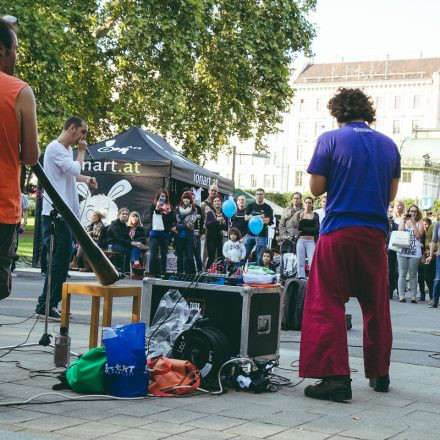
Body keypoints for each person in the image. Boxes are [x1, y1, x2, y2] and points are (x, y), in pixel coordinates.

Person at [299, 88, 400, 402]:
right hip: (373, 235)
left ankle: (336, 378)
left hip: (339, 231)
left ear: (337, 112)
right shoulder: (389, 145)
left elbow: (315, 188)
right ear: (366, 112)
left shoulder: (330, 139)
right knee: (376, 306)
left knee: (327, 302)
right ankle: (380, 374)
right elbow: (392, 195)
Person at [35, 116, 96, 319]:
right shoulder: (56, 148)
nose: (83, 137)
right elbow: (74, 168)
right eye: (83, 132)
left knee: (61, 263)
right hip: (55, 214)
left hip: (64, 213)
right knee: (58, 262)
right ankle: (46, 304)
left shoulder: (66, 151)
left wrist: (86, 179)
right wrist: (81, 152)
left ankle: (49, 303)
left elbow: (71, 174)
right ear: (72, 128)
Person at [0, 18, 40, 300]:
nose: (16, 54)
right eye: (14, 48)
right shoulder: (20, 92)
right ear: (2, 49)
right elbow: (30, 156)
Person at [397, 205, 424, 303]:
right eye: (411, 211)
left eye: (415, 211)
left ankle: (413, 296)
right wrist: (403, 221)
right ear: (408, 211)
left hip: (415, 252)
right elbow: (400, 231)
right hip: (403, 251)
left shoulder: (419, 222)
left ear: (417, 213)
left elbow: (418, 235)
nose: (413, 213)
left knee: (413, 274)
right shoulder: (404, 220)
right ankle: (401, 296)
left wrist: (412, 224)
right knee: (402, 273)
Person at [148, 189, 174, 276]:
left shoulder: (169, 207)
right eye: (162, 196)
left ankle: (163, 272)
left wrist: (166, 214)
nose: (164, 198)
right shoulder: (153, 205)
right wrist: (157, 209)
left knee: (164, 254)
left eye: (165, 196)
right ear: (158, 196)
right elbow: (152, 219)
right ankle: (151, 272)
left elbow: (171, 220)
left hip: (164, 233)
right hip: (155, 233)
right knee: (153, 253)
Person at [292, 196, 320, 279]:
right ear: (304, 204)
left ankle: (312, 280)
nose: (308, 204)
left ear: (312, 204)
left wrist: (304, 228)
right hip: (301, 240)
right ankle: (301, 279)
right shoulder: (300, 214)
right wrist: (301, 219)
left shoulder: (315, 215)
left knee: (312, 262)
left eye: (309, 203)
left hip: (311, 241)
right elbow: (298, 227)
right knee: (300, 262)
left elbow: (316, 230)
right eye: (306, 202)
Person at [244, 188, 273, 263]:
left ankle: (258, 273)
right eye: (257, 194)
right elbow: (246, 218)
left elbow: (267, 221)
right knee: (243, 255)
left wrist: (252, 217)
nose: (259, 196)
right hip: (249, 235)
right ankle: (240, 271)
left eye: (260, 194)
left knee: (260, 258)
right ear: (255, 195)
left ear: (264, 195)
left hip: (262, 236)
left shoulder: (268, 207)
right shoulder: (250, 206)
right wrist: (260, 216)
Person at [175, 191, 197, 274]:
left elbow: (190, 224)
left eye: (188, 198)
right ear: (182, 199)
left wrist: (179, 225)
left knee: (189, 257)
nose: (186, 200)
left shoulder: (194, 209)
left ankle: (190, 275)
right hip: (179, 236)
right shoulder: (177, 208)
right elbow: (176, 221)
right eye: (185, 198)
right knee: (179, 257)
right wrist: (184, 224)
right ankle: (179, 274)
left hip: (189, 237)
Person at [205, 195, 228, 269]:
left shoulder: (225, 213)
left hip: (220, 238)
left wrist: (223, 223)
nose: (217, 202)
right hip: (211, 238)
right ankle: (207, 273)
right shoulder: (210, 213)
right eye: (215, 201)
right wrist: (216, 220)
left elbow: (227, 227)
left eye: (218, 201)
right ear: (213, 203)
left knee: (220, 257)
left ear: (221, 202)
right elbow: (207, 225)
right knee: (211, 257)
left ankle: (219, 272)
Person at [11, 193, 29, 277]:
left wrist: (24, 222)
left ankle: (11, 268)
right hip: (7, 221)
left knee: (14, 245)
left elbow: (25, 210)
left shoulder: (23, 197)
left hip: (16, 223)